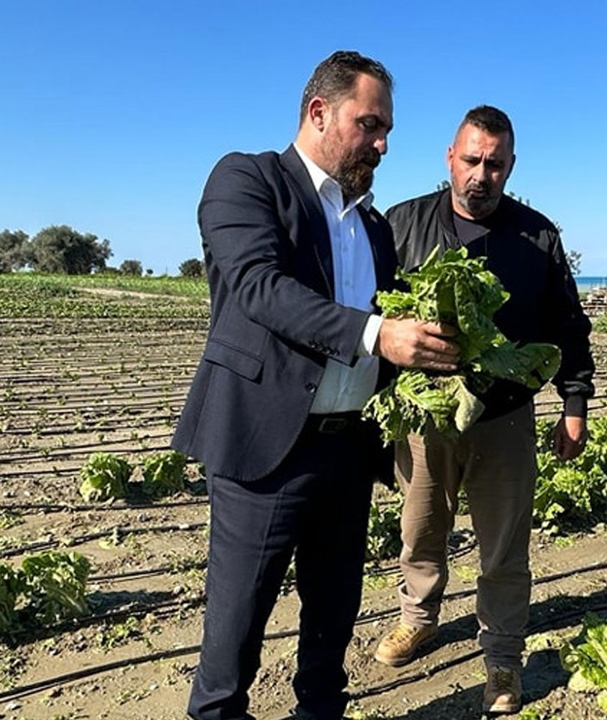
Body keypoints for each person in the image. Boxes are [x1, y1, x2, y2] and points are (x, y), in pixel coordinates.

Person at [171, 51, 460, 720]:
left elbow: (394, 320)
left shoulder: (374, 225)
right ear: (319, 112)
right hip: (268, 446)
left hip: (348, 450)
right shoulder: (248, 180)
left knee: (333, 620)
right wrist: (378, 333)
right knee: (238, 624)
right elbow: (258, 289)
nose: (382, 143)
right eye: (370, 124)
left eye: (387, 129)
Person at [370, 105, 595, 715]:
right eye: (471, 160)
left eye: (495, 164)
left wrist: (573, 402)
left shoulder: (538, 236)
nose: (481, 174)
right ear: (450, 157)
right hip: (426, 416)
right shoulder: (401, 225)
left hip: (504, 417)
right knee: (419, 531)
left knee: (503, 546)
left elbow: (568, 326)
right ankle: (418, 617)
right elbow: (372, 315)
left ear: (510, 166)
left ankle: (501, 657)